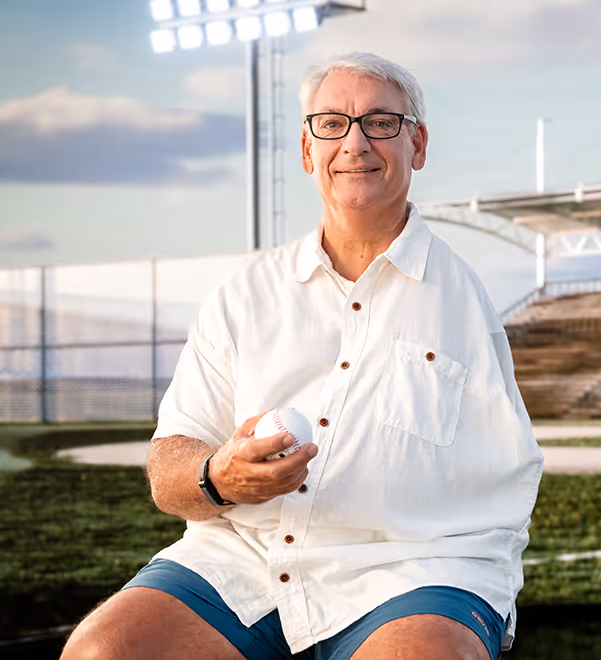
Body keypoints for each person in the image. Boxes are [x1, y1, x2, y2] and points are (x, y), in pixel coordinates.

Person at [61, 52, 543, 660]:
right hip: (242, 558)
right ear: (308, 147)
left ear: (417, 144)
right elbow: (169, 469)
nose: (357, 142)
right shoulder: (245, 294)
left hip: (410, 570)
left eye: (381, 123)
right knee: (105, 650)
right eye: (333, 123)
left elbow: (505, 485)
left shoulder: (463, 301)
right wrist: (219, 477)